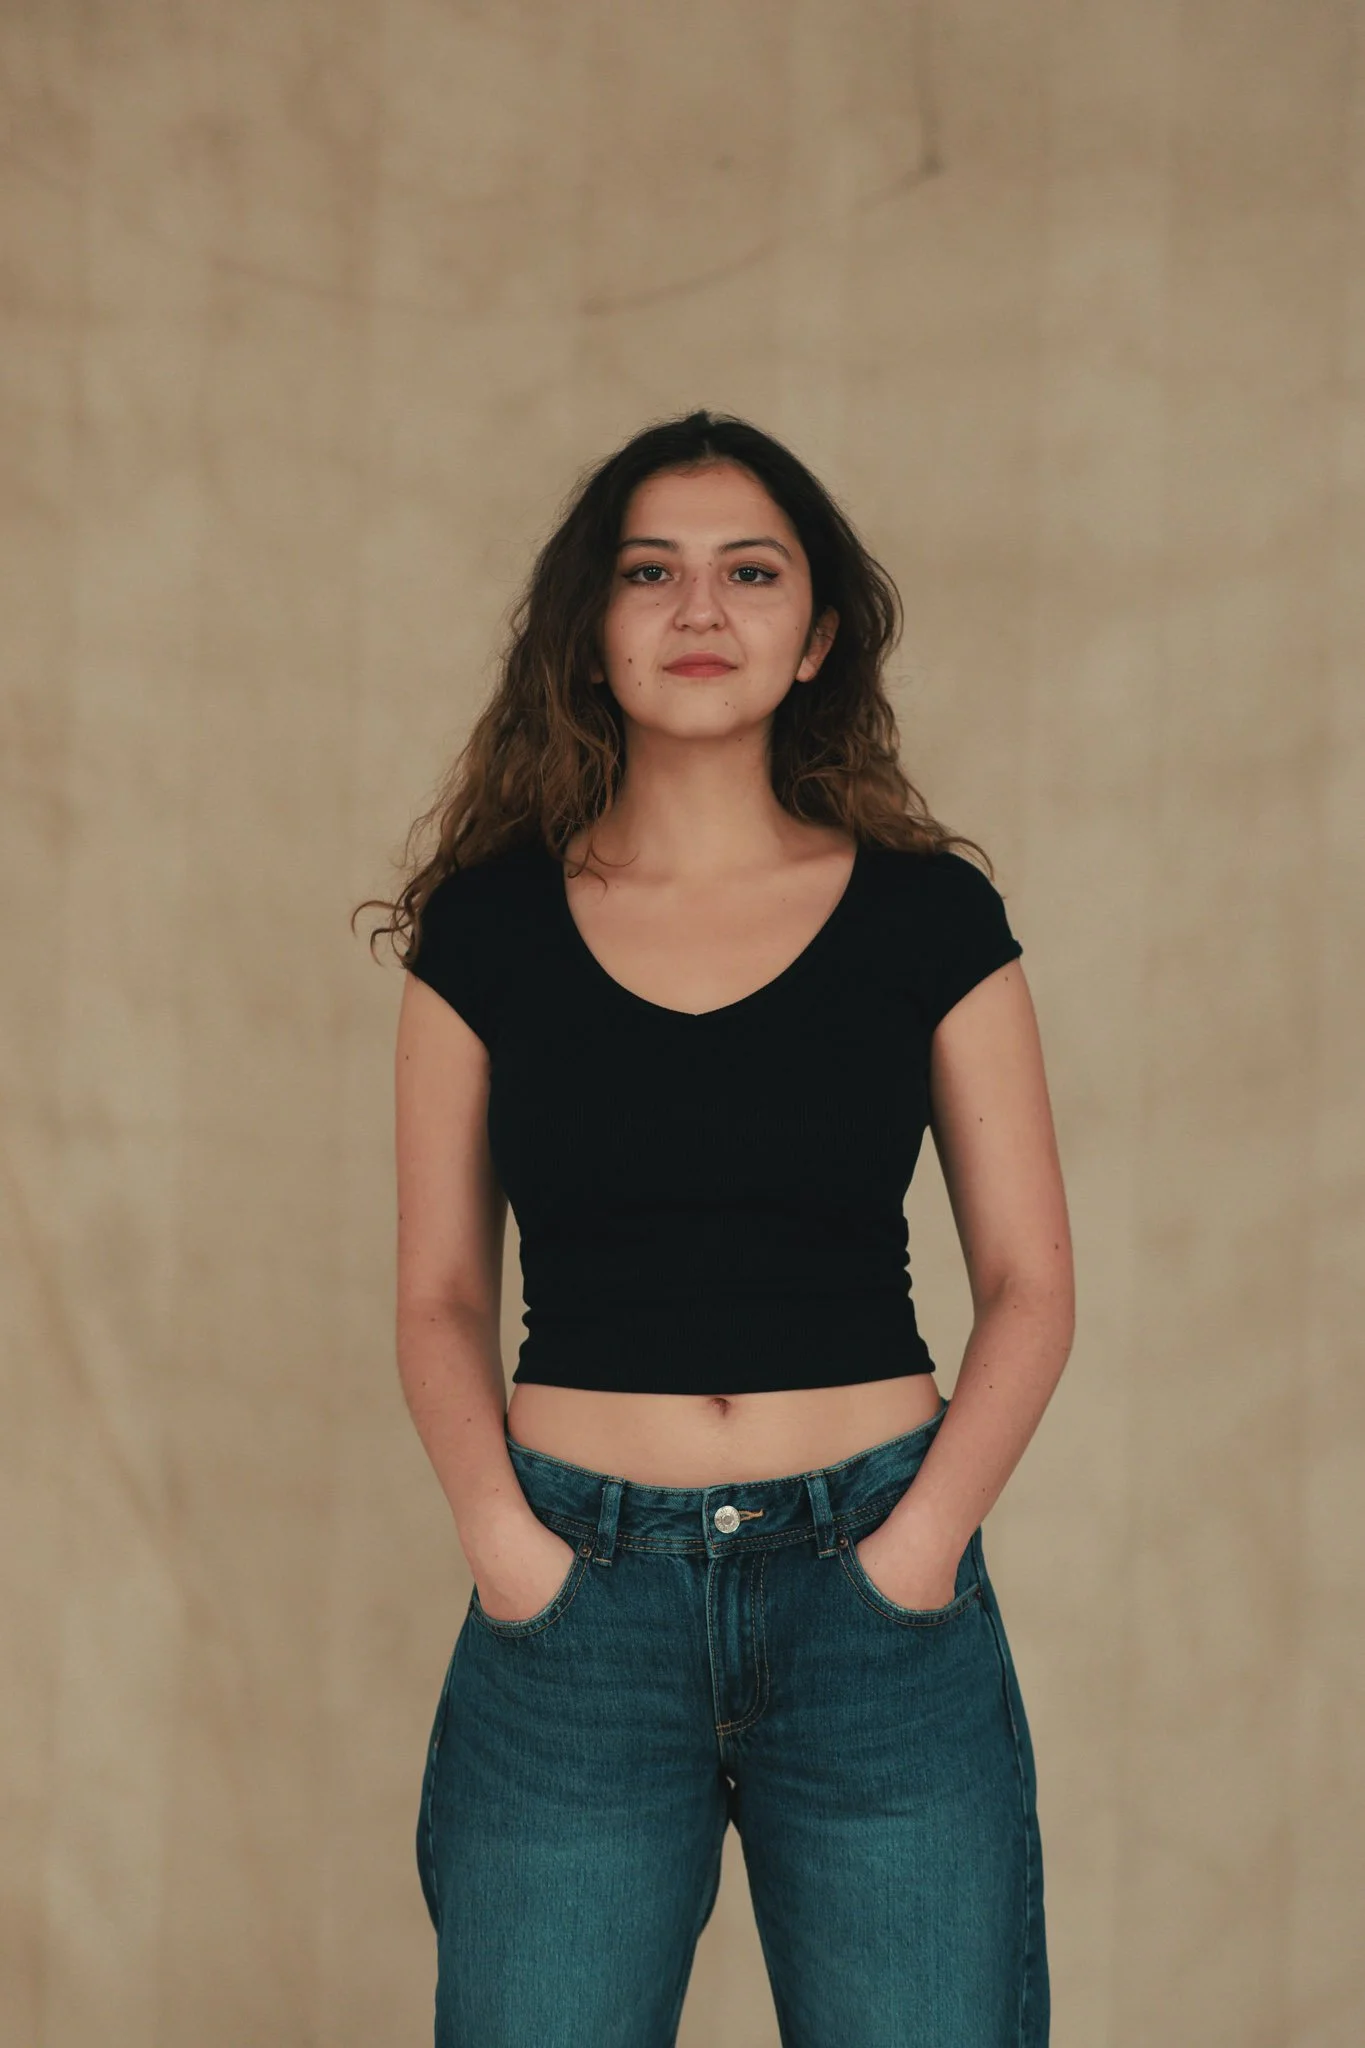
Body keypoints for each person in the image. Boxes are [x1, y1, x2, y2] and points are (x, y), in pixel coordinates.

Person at [369, 409, 1074, 2046]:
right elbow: (438, 1297)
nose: (700, 610)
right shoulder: (487, 926)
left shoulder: (929, 915)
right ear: (591, 631)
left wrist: (918, 1553)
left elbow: (1032, 1286)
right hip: (575, 1605)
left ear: (816, 631)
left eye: (749, 571)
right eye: (650, 573)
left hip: (878, 1594)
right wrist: (507, 1550)